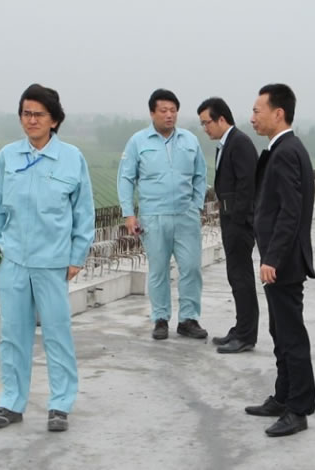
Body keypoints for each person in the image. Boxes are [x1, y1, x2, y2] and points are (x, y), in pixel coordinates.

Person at [0, 84, 95, 432]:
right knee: (13, 334)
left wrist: (77, 255)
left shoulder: (72, 158)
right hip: (13, 262)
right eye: (26, 113)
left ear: (54, 120)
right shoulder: (8, 156)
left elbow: (84, 212)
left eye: (39, 114)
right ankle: (11, 402)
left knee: (57, 334)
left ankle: (60, 404)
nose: (31, 120)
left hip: (53, 262)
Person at [245, 84, 315, 437]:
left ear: (278, 113)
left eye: (257, 110)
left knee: (291, 336)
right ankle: (283, 396)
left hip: (284, 263)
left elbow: (291, 212)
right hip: (279, 260)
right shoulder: (282, 148)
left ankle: (298, 409)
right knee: (280, 332)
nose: (252, 117)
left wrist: (271, 257)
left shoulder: (287, 152)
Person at [117, 88, 208, 341]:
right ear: (152, 113)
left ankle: (188, 318)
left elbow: (200, 175)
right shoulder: (138, 142)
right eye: (164, 110)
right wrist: (128, 214)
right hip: (153, 217)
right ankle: (160, 318)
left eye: (173, 110)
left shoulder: (190, 140)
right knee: (158, 270)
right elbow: (126, 178)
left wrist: (196, 205)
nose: (169, 115)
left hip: (185, 215)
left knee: (191, 268)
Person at [197, 97, 260, 354]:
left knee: (241, 277)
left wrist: (237, 222)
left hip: (238, 222)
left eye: (207, 123)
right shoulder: (226, 143)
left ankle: (246, 335)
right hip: (229, 218)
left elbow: (247, 185)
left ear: (221, 119)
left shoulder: (240, 143)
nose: (205, 128)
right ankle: (241, 327)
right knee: (235, 276)